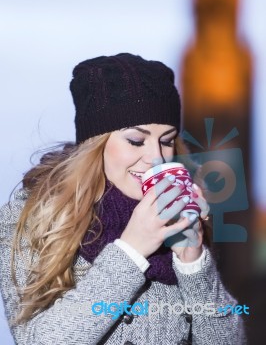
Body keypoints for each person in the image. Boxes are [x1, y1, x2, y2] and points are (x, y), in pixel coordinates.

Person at [0, 53, 246, 345]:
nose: (156, 157)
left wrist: (194, 264)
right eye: (135, 140)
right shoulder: (32, 217)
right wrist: (131, 251)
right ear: (96, 143)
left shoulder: (181, 212)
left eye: (166, 141)